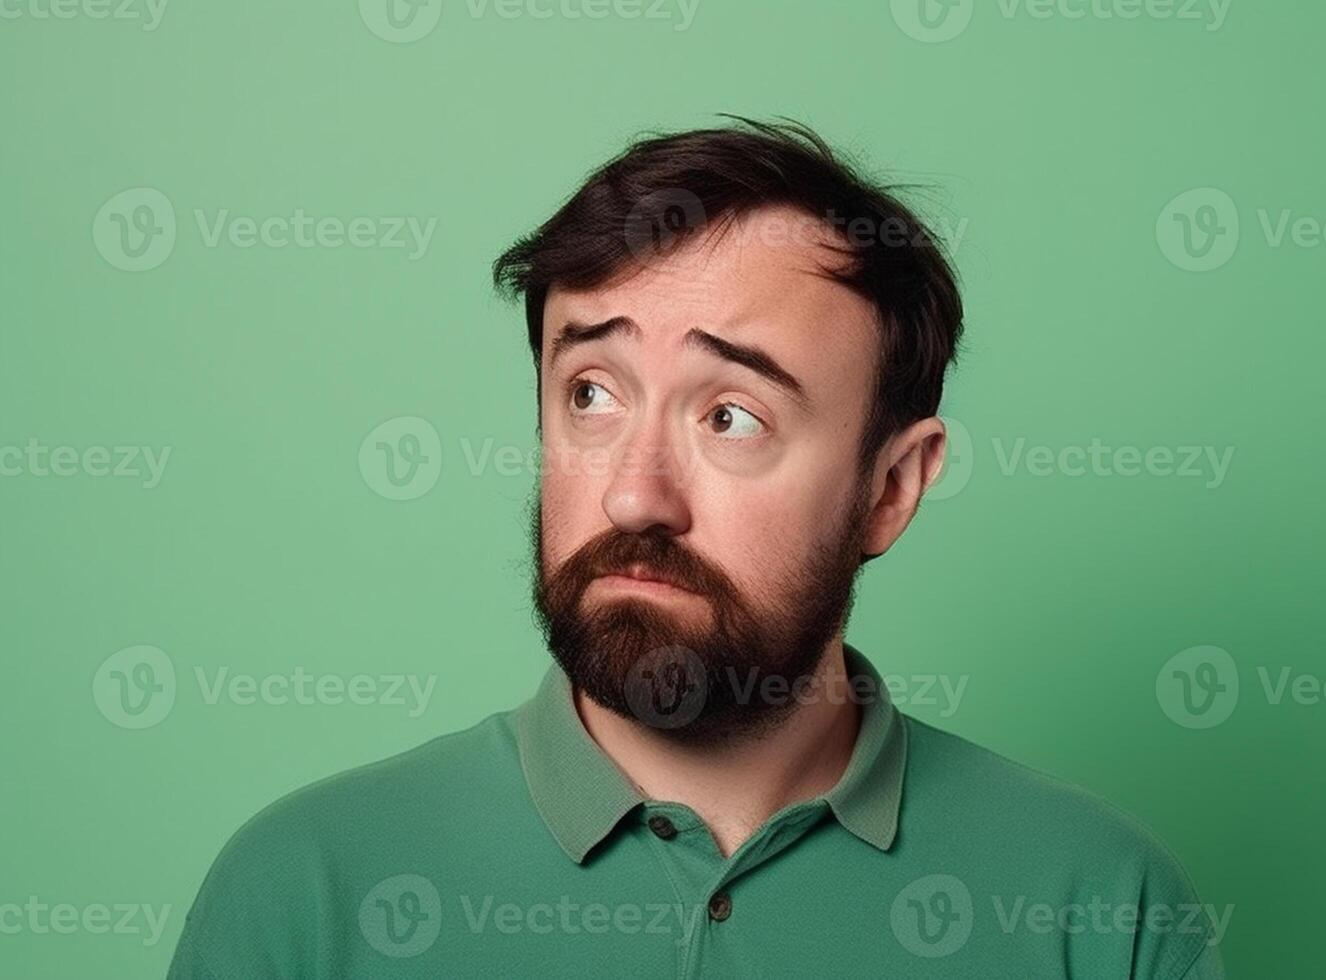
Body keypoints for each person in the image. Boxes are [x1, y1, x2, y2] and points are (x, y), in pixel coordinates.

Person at [168, 117, 1226, 978]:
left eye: (731, 415)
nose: (635, 492)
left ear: (890, 487)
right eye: (591, 394)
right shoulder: (304, 892)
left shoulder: (1102, 912)